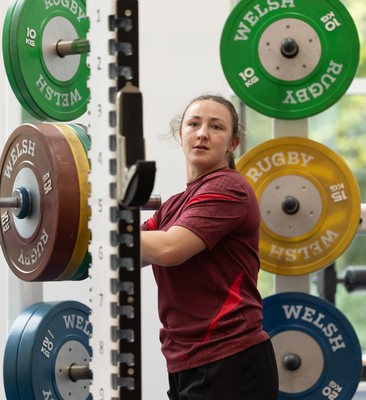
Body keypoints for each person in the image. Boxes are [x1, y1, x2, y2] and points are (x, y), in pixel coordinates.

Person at [141, 94, 279, 400]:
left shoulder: (228, 187)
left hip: (230, 357)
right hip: (185, 358)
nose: (202, 133)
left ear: (233, 144)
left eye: (216, 127)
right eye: (194, 124)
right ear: (181, 135)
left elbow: (167, 248)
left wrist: (103, 228)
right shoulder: (174, 206)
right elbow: (127, 251)